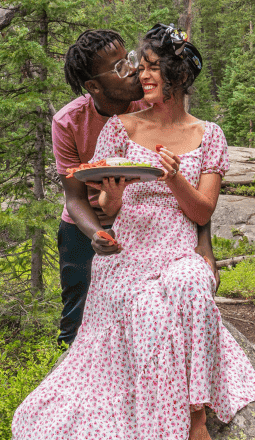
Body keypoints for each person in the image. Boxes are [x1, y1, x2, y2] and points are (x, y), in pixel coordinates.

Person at [14, 25, 255, 440]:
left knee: (192, 284)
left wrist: (174, 178)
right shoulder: (119, 127)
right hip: (126, 247)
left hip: (175, 243)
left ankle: (196, 420)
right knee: (147, 310)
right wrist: (116, 200)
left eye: (148, 66)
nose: (139, 74)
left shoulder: (208, 135)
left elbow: (202, 211)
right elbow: (98, 203)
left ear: (176, 74)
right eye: (135, 66)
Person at [54, 29, 216, 346]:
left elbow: (192, 186)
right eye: (119, 67)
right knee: (78, 314)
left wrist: (204, 245)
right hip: (83, 227)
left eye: (128, 59)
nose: (132, 70)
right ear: (93, 86)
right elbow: (74, 198)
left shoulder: (152, 104)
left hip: (143, 223)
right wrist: (96, 234)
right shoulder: (69, 122)